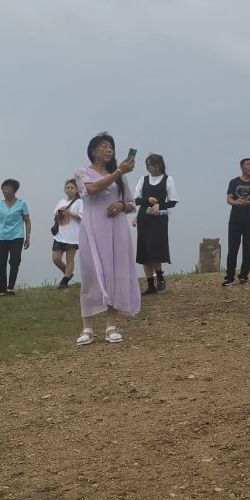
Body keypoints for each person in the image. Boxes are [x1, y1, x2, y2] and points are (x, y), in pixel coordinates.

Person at [73, 132, 141, 346]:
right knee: (91, 273)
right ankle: (87, 328)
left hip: (116, 229)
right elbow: (91, 189)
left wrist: (122, 205)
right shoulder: (82, 172)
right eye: (104, 146)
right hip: (93, 229)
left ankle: (111, 326)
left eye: (111, 146)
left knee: (116, 273)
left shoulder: (120, 177)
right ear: (93, 150)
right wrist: (119, 171)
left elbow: (131, 203)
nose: (109, 150)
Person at [133, 153, 178, 295]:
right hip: (144, 217)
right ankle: (150, 285)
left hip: (159, 217)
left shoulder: (168, 179)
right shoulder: (143, 179)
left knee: (154, 247)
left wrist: (160, 205)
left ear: (159, 165)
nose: (150, 168)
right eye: (147, 166)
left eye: (152, 165)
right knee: (144, 250)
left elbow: (173, 201)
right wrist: (148, 200)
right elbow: (135, 199)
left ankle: (159, 276)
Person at [0, 178, 31, 296]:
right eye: (3, 189)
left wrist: (28, 236)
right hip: (1, 237)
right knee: (0, 263)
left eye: (7, 188)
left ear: (14, 190)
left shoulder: (22, 204)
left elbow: (27, 221)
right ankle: (2, 290)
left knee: (15, 260)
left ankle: (10, 287)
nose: (5, 191)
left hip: (17, 236)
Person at [223, 158, 250, 286]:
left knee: (247, 249)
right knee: (233, 249)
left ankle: (243, 276)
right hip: (235, 220)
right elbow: (229, 198)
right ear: (242, 167)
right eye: (248, 165)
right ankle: (229, 277)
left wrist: (248, 203)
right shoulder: (234, 182)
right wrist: (236, 203)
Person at [51, 179, 83, 289]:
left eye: (72, 187)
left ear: (77, 190)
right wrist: (58, 216)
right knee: (56, 258)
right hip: (60, 234)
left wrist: (70, 213)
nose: (69, 189)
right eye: (67, 187)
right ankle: (68, 274)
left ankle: (64, 281)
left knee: (70, 258)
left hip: (73, 235)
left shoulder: (80, 202)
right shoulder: (61, 202)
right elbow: (55, 215)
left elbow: (83, 217)